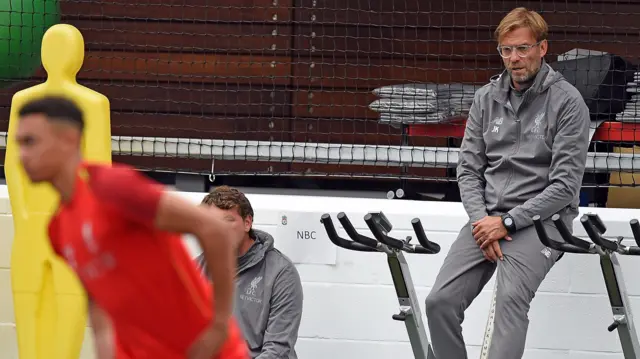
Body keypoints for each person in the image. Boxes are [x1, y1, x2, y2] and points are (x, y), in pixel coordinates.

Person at [14, 95, 249, 359]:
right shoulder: (57, 230)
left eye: (30, 142)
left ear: (69, 138)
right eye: (18, 144)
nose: (22, 155)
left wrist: (218, 325)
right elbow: (99, 307)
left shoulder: (109, 186)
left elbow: (213, 228)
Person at [424, 7, 591, 359]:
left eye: (523, 48)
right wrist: (482, 221)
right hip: (487, 218)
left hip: (544, 222)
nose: (514, 58)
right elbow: (468, 171)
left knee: (510, 301)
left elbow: (564, 187)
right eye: (506, 50)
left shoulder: (569, 103)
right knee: (440, 301)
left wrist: (508, 222)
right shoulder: (485, 99)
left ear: (542, 48)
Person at [195, 186, 303, 359]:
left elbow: (278, 349)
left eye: (227, 221)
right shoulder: (198, 268)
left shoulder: (281, 273)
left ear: (247, 223)